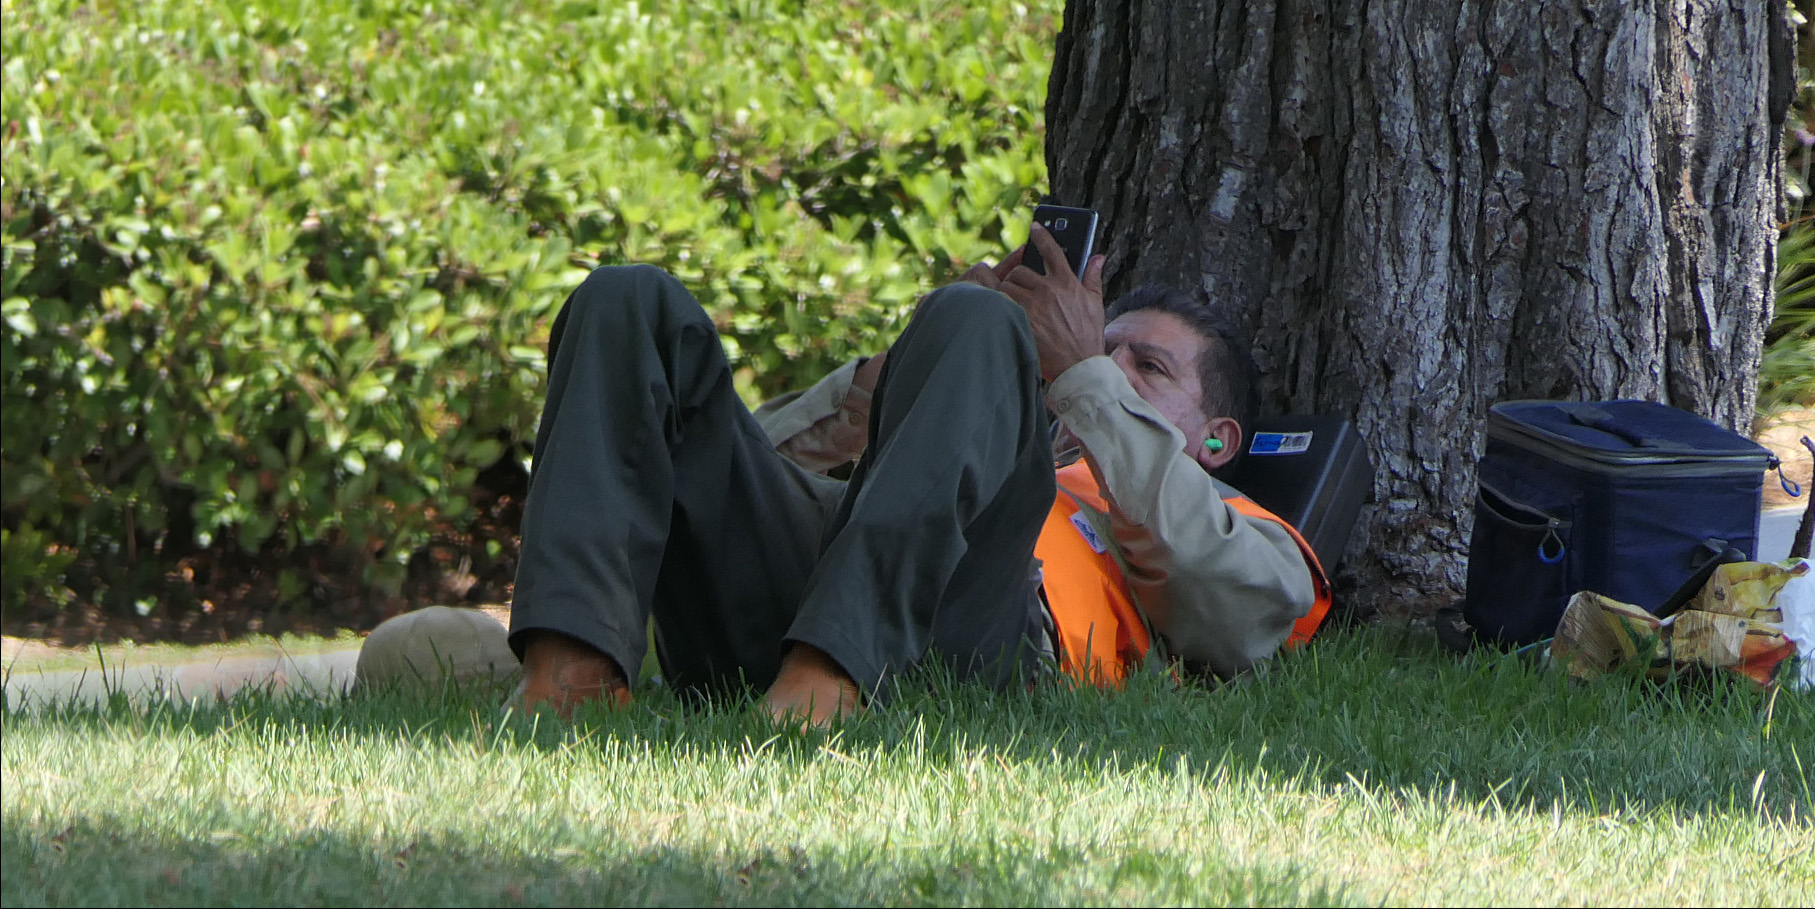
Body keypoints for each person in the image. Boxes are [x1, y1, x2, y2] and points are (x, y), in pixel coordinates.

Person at [495, 224, 1330, 724]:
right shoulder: (1003, 426)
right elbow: (691, 463)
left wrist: (1083, 378)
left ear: (1216, 439)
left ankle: (829, 684)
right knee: (629, 300)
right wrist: (900, 373)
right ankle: (569, 676)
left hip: (974, 633)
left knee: (978, 319)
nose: (1106, 366)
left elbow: (1239, 614)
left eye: (1145, 366)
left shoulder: (1238, 518)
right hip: (807, 582)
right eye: (1099, 346)